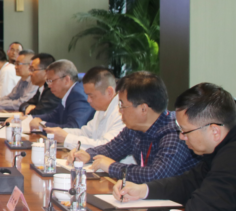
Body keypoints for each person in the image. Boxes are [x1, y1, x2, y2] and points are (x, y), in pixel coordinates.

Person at [114, 83, 236, 211]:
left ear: (214, 131)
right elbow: (187, 183)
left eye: (185, 131)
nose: (181, 137)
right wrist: (143, 190)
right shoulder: (224, 149)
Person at [69, 71, 199, 182]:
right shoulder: (134, 129)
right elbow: (111, 149)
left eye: (122, 105)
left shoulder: (174, 132)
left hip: (177, 202)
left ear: (143, 109)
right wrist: (88, 154)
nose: (120, 110)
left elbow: (155, 175)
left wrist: (112, 167)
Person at [46, 67, 131, 162]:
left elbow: (107, 147)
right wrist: (61, 132)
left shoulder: (123, 113)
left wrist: (67, 138)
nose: (88, 100)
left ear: (109, 92)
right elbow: (86, 133)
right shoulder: (101, 109)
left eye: (91, 96)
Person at [28, 60, 94, 129]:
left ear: (66, 80)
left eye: (51, 81)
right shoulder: (67, 93)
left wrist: (42, 125)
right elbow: (53, 116)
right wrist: (29, 118)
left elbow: (73, 127)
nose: (49, 86)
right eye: (47, 81)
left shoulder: (78, 96)